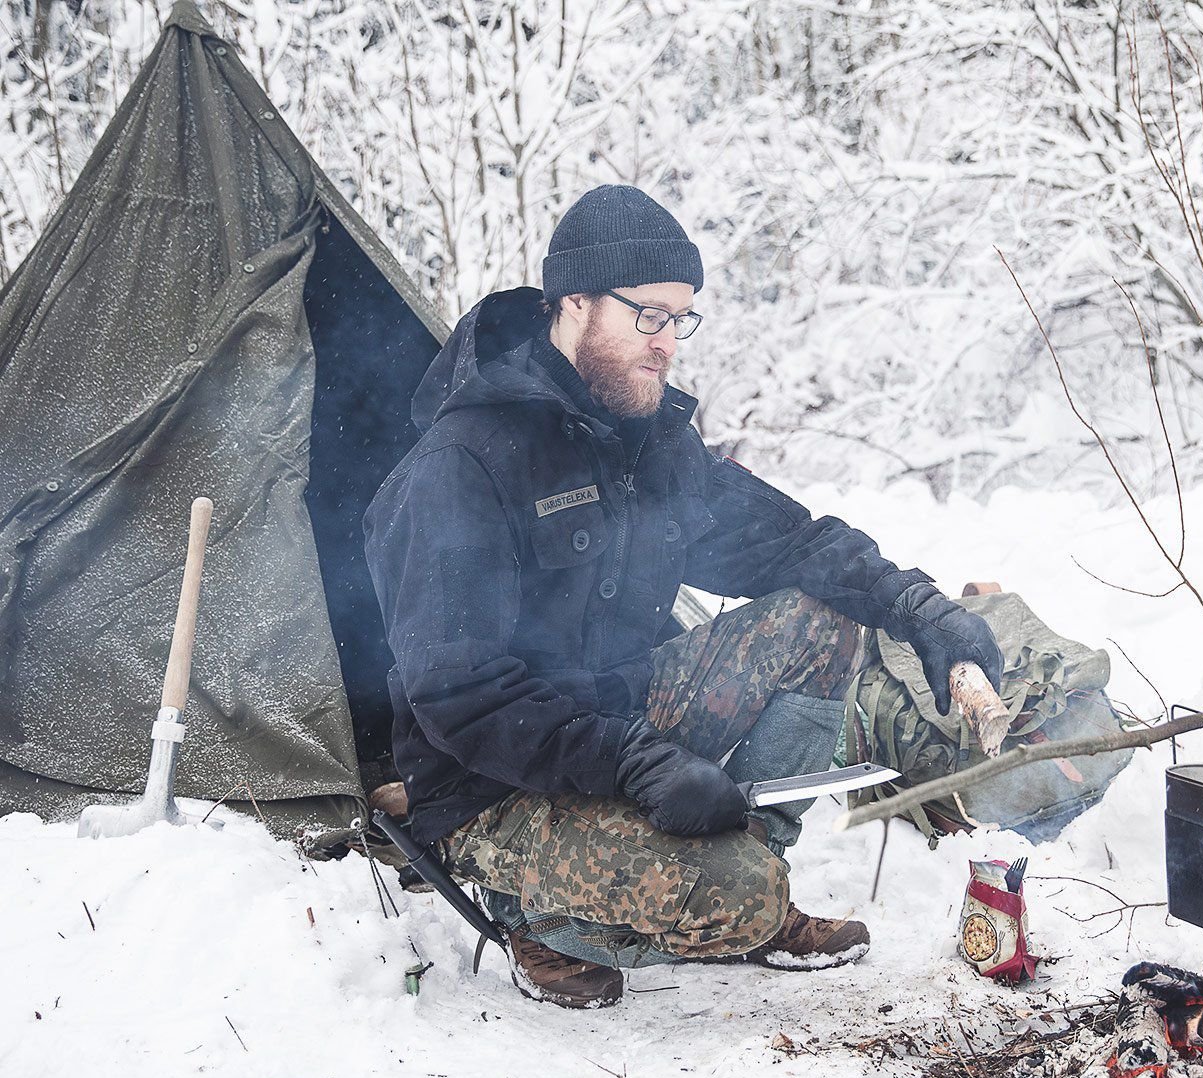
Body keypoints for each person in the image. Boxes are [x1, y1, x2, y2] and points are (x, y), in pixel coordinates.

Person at [364, 185, 1003, 1009]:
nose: (669, 344)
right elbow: (460, 695)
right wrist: (631, 762)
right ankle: (535, 916)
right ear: (576, 303)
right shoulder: (463, 466)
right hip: (493, 785)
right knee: (734, 899)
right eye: (649, 317)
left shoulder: (650, 442)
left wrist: (920, 609)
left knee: (826, 613)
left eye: (681, 320)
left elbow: (795, 543)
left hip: (621, 712)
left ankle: (749, 870)